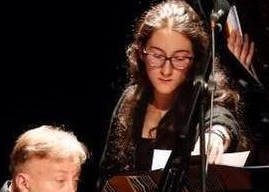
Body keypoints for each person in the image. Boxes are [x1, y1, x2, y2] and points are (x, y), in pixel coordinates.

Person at [102, 0, 244, 174]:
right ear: (141, 52)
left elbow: (220, 118)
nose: (166, 70)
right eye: (157, 55)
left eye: (180, 58)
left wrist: (216, 135)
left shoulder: (204, 99)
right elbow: (107, 173)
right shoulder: (131, 99)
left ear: (195, 60)